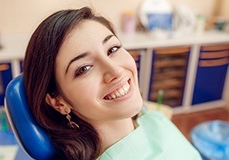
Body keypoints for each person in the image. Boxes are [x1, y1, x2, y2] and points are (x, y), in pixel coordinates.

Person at [23, 6, 202, 160]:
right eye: (84, 68)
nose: (116, 70)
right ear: (58, 102)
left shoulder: (151, 118)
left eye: (113, 49)